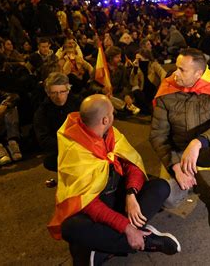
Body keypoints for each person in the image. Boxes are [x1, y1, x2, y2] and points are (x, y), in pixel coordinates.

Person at [48, 94, 180, 264]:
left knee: (160, 187)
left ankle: (105, 248)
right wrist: (126, 227)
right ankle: (146, 241)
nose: (114, 115)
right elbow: (88, 203)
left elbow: (132, 165)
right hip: (94, 209)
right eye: (112, 113)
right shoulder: (75, 149)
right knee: (70, 228)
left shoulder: (109, 132)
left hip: (119, 197)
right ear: (104, 120)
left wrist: (131, 194)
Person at [150, 48, 210, 232]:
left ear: (198, 73)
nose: (175, 73)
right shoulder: (167, 90)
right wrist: (175, 166)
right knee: (169, 200)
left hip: (206, 149)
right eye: (176, 67)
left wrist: (199, 141)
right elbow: (158, 135)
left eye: (181, 69)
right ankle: (186, 181)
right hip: (178, 152)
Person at [33, 73, 80, 171]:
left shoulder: (78, 103)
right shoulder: (42, 112)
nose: (59, 97)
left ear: (68, 90)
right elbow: (44, 139)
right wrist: (68, 146)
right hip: (60, 150)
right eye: (54, 93)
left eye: (62, 91)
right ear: (48, 93)